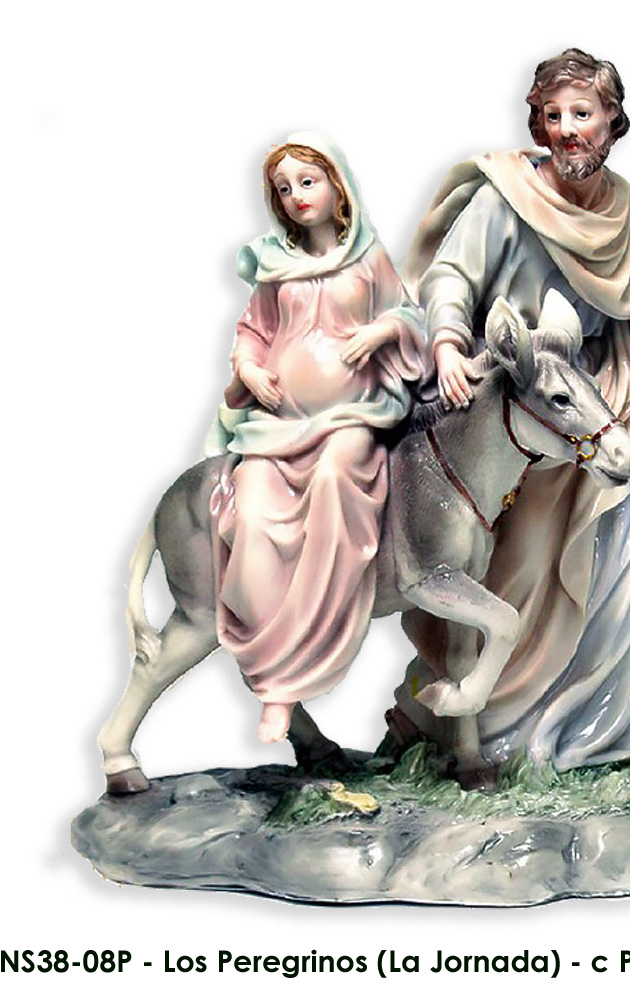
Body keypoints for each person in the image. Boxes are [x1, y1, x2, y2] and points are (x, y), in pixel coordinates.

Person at [387, 50, 630, 772]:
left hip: (586, 406)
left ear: (612, 122)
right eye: (553, 115)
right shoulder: (506, 198)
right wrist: (447, 344)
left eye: (582, 114)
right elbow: (450, 277)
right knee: (528, 557)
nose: (567, 129)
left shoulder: (620, 206)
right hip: (512, 410)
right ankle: (487, 724)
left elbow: (626, 305)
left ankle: (616, 723)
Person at [210, 132, 424, 744]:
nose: (297, 195)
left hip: (353, 416)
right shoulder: (274, 265)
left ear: (338, 187)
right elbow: (253, 332)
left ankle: (314, 637)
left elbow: (409, 315)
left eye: (308, 182)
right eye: (284, 189)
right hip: (279, 427)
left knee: (336, 478)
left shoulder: (367, 258)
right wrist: (249, 370)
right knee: (250, 511)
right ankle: (276, 678)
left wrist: (383, 330)